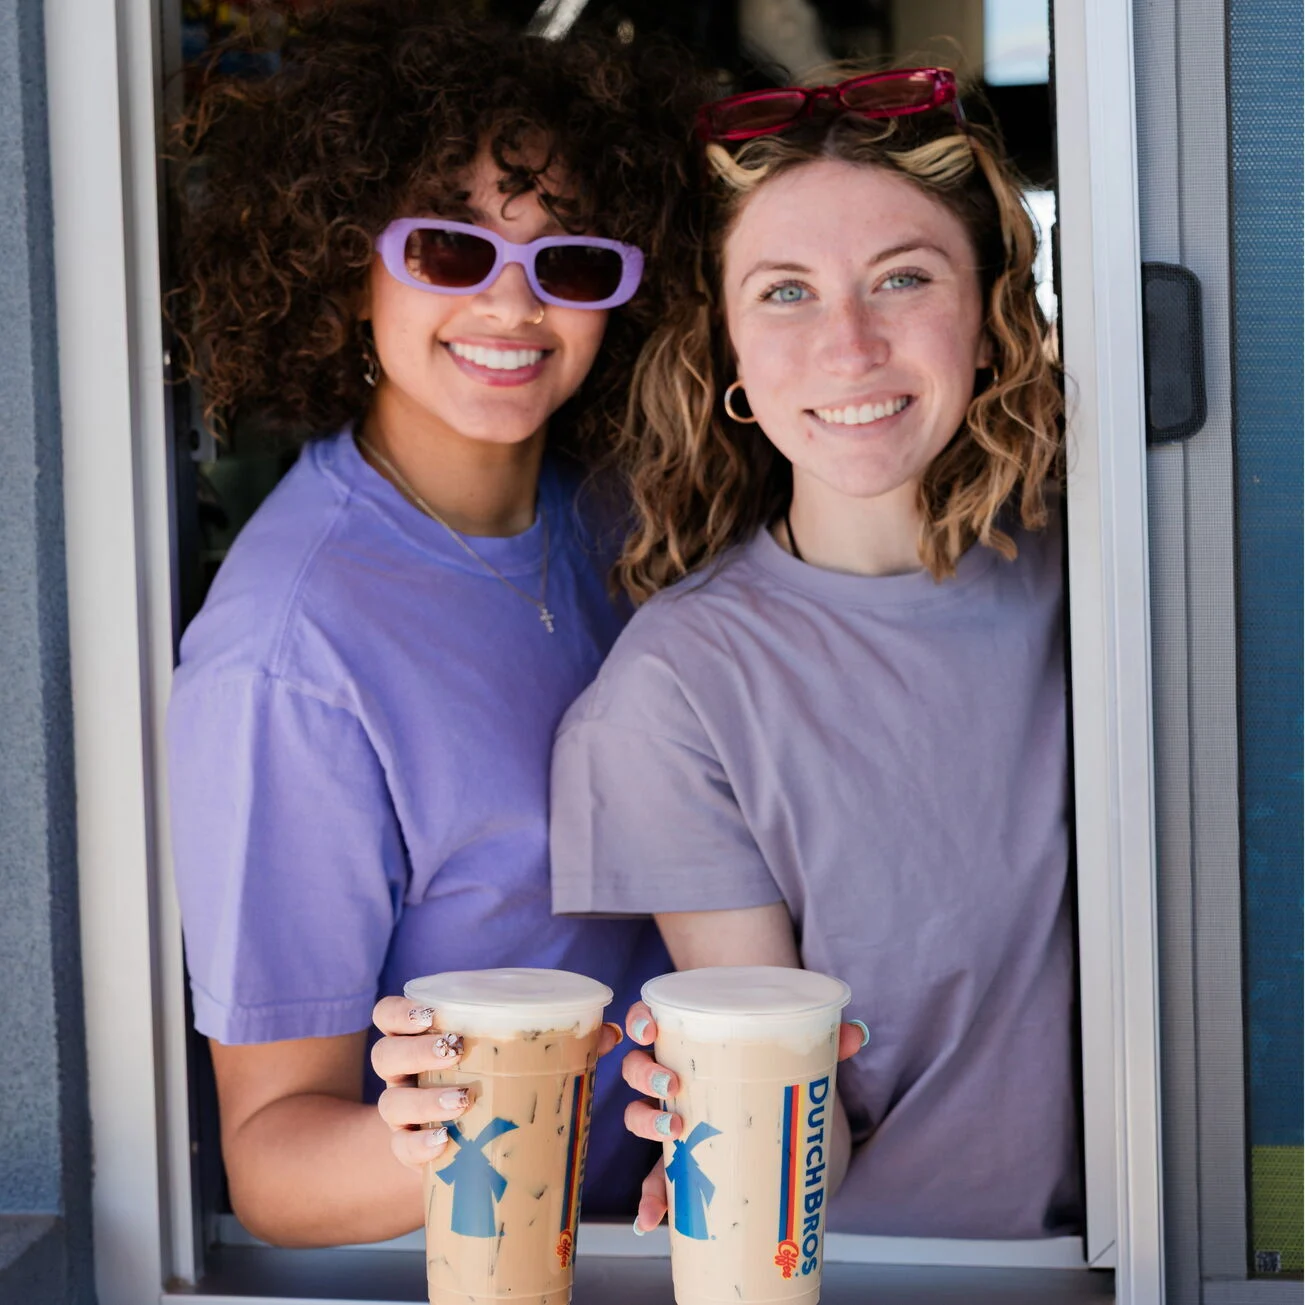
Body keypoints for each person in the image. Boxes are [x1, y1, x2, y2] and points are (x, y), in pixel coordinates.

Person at [166, 0, 705, 1248]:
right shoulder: (288, 661)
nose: (514, 304)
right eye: (452, 252)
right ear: (348, 268)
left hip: (712, 1232)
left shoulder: (631, 511)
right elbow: (275, 1164)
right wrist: (454, 1132)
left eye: (567, 261)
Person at [548, 67, 1081, 1239]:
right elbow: (791, 1121)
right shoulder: (675, 691)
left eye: (903, 278)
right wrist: (734, 1160)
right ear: (729, 355)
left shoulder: (1110, 585)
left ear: (991, 322)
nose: (849, 345)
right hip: (903, 1278)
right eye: (785, 293)